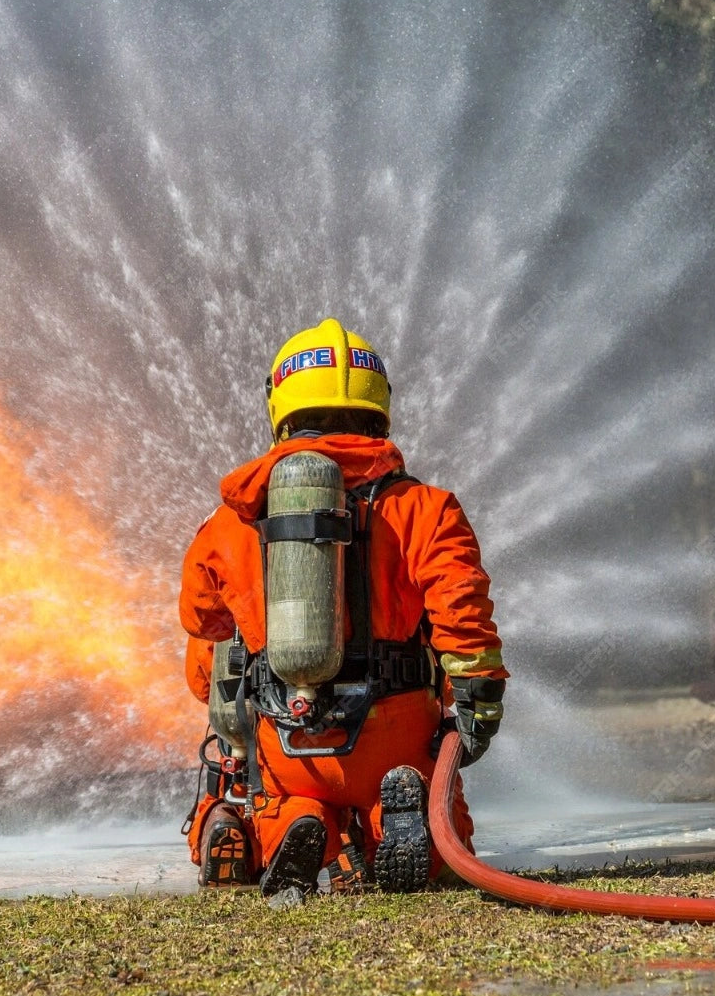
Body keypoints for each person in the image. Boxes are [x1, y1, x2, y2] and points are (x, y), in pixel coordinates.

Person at [178, 318, 507, 899]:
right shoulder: (428, 509)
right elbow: (462, 611)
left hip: (289, 741)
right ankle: (399, 823)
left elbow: (205, 632)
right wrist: (478, 701)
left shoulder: (228, 523)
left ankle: (297, 826)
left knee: (280, 801)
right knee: (429, 822)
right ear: (379, 407)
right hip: (395, 732)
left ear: (281, 407)